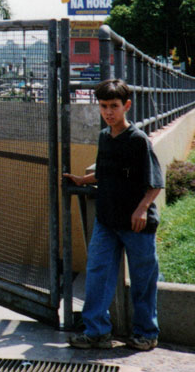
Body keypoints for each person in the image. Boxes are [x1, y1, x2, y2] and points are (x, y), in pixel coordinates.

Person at [63, 79, 163, 351]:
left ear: (126, 106)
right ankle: (96, 332)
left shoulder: (138, 141)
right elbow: (106, 172)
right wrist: (83, 180)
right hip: (107, 220)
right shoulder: (104, 137)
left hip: (136, 223)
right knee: (97, 274)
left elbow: (155, 183)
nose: (109, 112)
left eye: (114, 106)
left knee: (143, 280)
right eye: (104, 106)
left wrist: (142, 209)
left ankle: (146, 333)